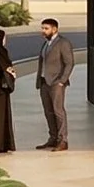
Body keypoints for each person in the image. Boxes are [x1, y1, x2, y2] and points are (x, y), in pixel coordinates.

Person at [35, 18, 74, 151]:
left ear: (55, 29)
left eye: (46, 28)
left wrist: (62, 80)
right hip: (44, 82)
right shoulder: (46, 44)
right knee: (48, 111)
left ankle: (63, 140)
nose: (43, 31)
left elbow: (69, 63)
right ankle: (53, 138)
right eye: (42, 28)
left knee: (58, 111)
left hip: (56, 83)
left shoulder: (63, 43)